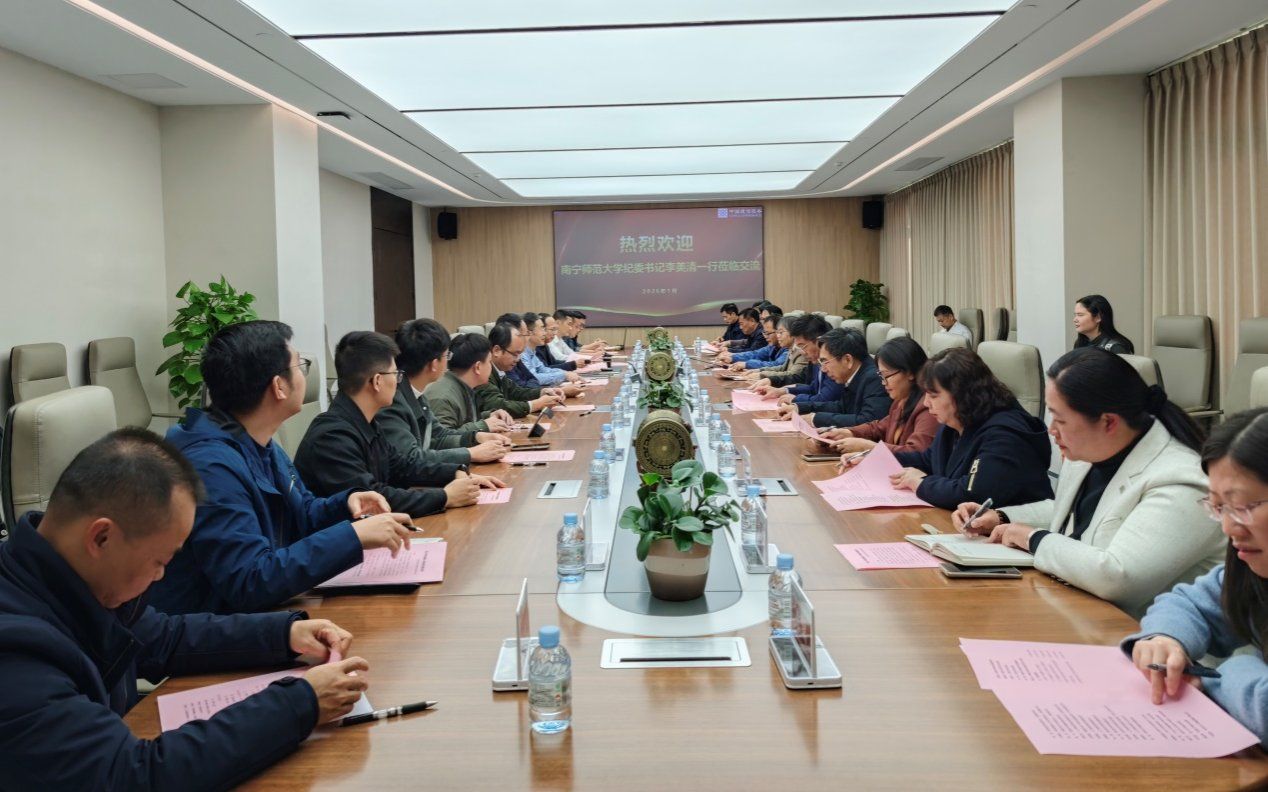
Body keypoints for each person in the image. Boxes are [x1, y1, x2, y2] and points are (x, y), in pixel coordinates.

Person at [0, 428, 370, 789]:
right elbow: (132, 777)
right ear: (101, 537)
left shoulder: (72, 577)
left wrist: (284, 634)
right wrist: (300, 703)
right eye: (160, 561)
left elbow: (163, 638)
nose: (161, 576)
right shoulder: (15, 653)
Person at [152, 321, 414, 616]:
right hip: (215, 631)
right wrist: (352, 538)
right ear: (279, 386)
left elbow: (302, 513)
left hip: (261, 618)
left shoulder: (258, 441)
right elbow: (249, 581)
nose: (305, 375)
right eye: (300, 365)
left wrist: (347, 503)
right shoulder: (211, 467)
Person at [952, 348, 1221, 616]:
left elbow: (1118, 578)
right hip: (1078, 611)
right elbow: (1069, 511)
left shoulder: (1182, 481)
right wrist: (1001, 517)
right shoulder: (1088, 451)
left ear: (1108, 422)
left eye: (1060, 420)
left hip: (1143, 631)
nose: (1051, 430)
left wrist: (1033, 538)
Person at [1119, 408, 1268, 744]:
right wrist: (1166, 639)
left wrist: (1221, 676)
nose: (1229, 528)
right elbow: (1191, 603)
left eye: (1243, 506)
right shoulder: (1252, 569)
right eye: (1219, 507)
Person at [295, 331, 491, 517]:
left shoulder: (366, 422)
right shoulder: (332, 437)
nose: (398, 382)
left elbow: (404, 466)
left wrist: (455, 472)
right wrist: (446, 497)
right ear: (377, 381)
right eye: (395, 374)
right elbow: (374, 499)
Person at [888, 348, 1053, 510]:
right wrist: (882, 459)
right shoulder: (957, 421)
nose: (926, 403)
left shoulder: (1005, 435)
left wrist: (920, 483)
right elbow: (929, 460)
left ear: (961, 394)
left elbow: (973, 494)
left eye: (933, 396)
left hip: (1010, 526)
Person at [379, 318, 512, 470]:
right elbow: (410, 458)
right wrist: (470, 453)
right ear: (434, 364)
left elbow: (438, 435)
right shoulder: (392, 401)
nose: (448, 362)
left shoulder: (415, 393)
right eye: (446, 356)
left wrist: (476, 437)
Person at [820, 336, 939, 458]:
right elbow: (878, 428)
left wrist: (869, 447)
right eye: (881, 376)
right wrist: (848, 432)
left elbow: (917, 453)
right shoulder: (900, 401)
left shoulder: (928, 407)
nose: (883, 383)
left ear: (910, 372)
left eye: (886, 376)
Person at [777, 328, 890, 428]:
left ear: (847, 360)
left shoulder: (875, 378)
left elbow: (868, 421)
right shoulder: (856, 372)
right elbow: (841, 407)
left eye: (825, 362)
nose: (823, 369)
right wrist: (800, 408)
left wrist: (815, 419)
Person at [477, 322, 569, 419]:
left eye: (520, 354)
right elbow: (497, 405)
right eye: (515, 354)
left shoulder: (498, 369)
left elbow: (516, 392)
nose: (518, 359)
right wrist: (535, 405)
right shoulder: (483, 373)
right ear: (496, 351)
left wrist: (543, 392)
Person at [425, 333, 502, 432]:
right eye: (489, 362)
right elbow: (442, 437)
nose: (491, 367)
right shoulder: (443, 397)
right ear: (478, 367)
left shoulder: (463, 385)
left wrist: (488, 416)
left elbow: (461, 421)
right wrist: (483, 425)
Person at [751, 315, 835, 398]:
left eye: (802, 346)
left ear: (818, 342)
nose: (801, 352)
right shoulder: (815, 360)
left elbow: (825, 399)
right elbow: (811, 387)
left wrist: (796, 400)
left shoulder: (833, 363)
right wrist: (782, 389)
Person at [517, 312, 581, 387]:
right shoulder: (522, 353)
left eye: (544, 329)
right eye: (542, 329)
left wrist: (566, 373)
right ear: (529, 332)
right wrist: (564, 375)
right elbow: (534, 378)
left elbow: (544, 369)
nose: (545, 333)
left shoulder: (531, 352)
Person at [743, 315, 809, 382]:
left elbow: (792, 376)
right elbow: (782, 368)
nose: (778, 336)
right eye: (777, 332)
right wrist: (759, 370)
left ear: (793, 333)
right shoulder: (791, 349)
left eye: (781, 332)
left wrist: (762, 375)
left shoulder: (801, 351)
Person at [719, 313, 784, 369]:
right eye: (764, 333)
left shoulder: (787, 348)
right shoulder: (772, 346)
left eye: (768, 333)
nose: (765, 336)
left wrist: (747, 364)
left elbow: (775, 365)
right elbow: (755, 354)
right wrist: (733, 357)